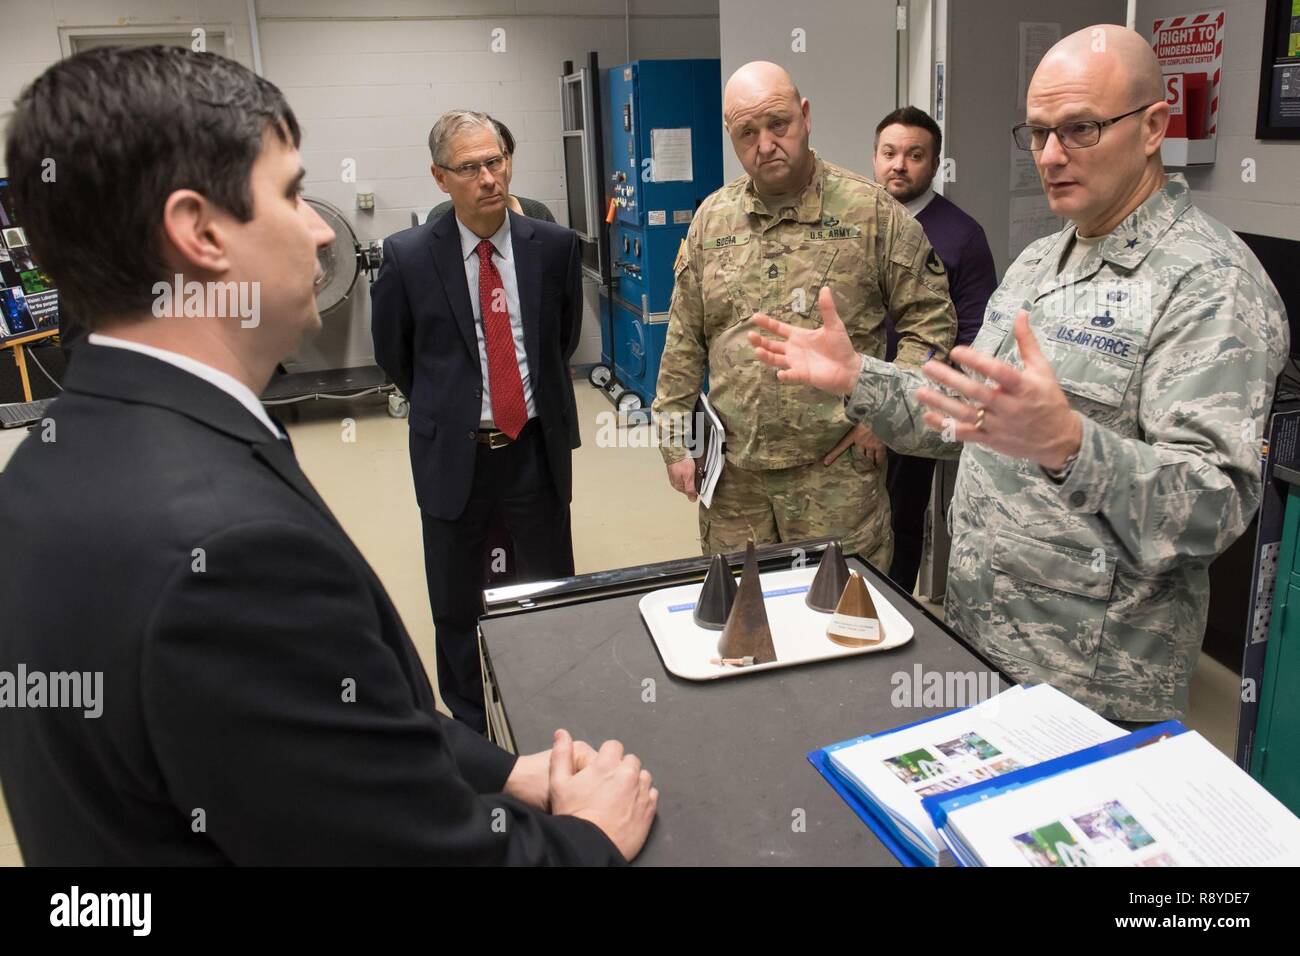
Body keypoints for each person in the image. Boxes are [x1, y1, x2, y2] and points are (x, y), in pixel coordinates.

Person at [0, 46, 655, 865]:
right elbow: (399, 849)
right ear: (199, 232)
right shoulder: (230, 551)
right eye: (292, 193)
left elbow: (339, 738)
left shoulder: (52, 462)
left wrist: (506, 770)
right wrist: (585, 839)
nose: (319, 229)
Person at [747, 26, 1289, 723]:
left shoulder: (1212, 286)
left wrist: (1069, 445)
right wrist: (858, 377)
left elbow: (1214, 509)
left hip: (1091, 687)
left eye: (1080, 129)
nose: (1052, 155)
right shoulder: (1040, 262)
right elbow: (963, 415)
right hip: (979, 644)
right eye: (1037, 134)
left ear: (1154, 126)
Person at [652, 61, 955, 570]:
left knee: (845, 624)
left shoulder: (871, 213)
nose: (765, 144)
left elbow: (931, 325)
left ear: (806, 116)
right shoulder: (712, 219)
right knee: (743, 625)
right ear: (731, 136)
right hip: (734, 483)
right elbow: (684, 336)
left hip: (835, 478)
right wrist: (675, 440)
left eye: (778, 124)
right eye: (747, 132)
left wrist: (884, 415)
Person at [371, 110, 582, 733]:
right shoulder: (408, 258)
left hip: (533, 448)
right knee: (457, 604)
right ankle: (472, 728)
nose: (490, 178)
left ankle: (549, 709)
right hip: (453, 454)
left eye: (497, 161)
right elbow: (396, 354)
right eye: (470, 168)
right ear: (441, 178)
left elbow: (559, 341)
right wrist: (452, 406)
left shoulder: (555, 247)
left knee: (546, 590)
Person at [872, 106, 997, 593]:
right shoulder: (854, 222)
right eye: (889, 152)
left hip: (914, 406)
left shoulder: (962, 236)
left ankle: (893, 607)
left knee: (901, 518)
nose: (899, 164)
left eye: (914, 155)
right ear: (875, 157)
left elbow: (973, 332)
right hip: (845, 396)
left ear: (935, 163)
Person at [428, 117, 555, 224]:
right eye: (468, 167)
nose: (488, 180)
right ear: (441, 177)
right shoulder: (440, 217)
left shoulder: (537, 214)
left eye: (494, 161)